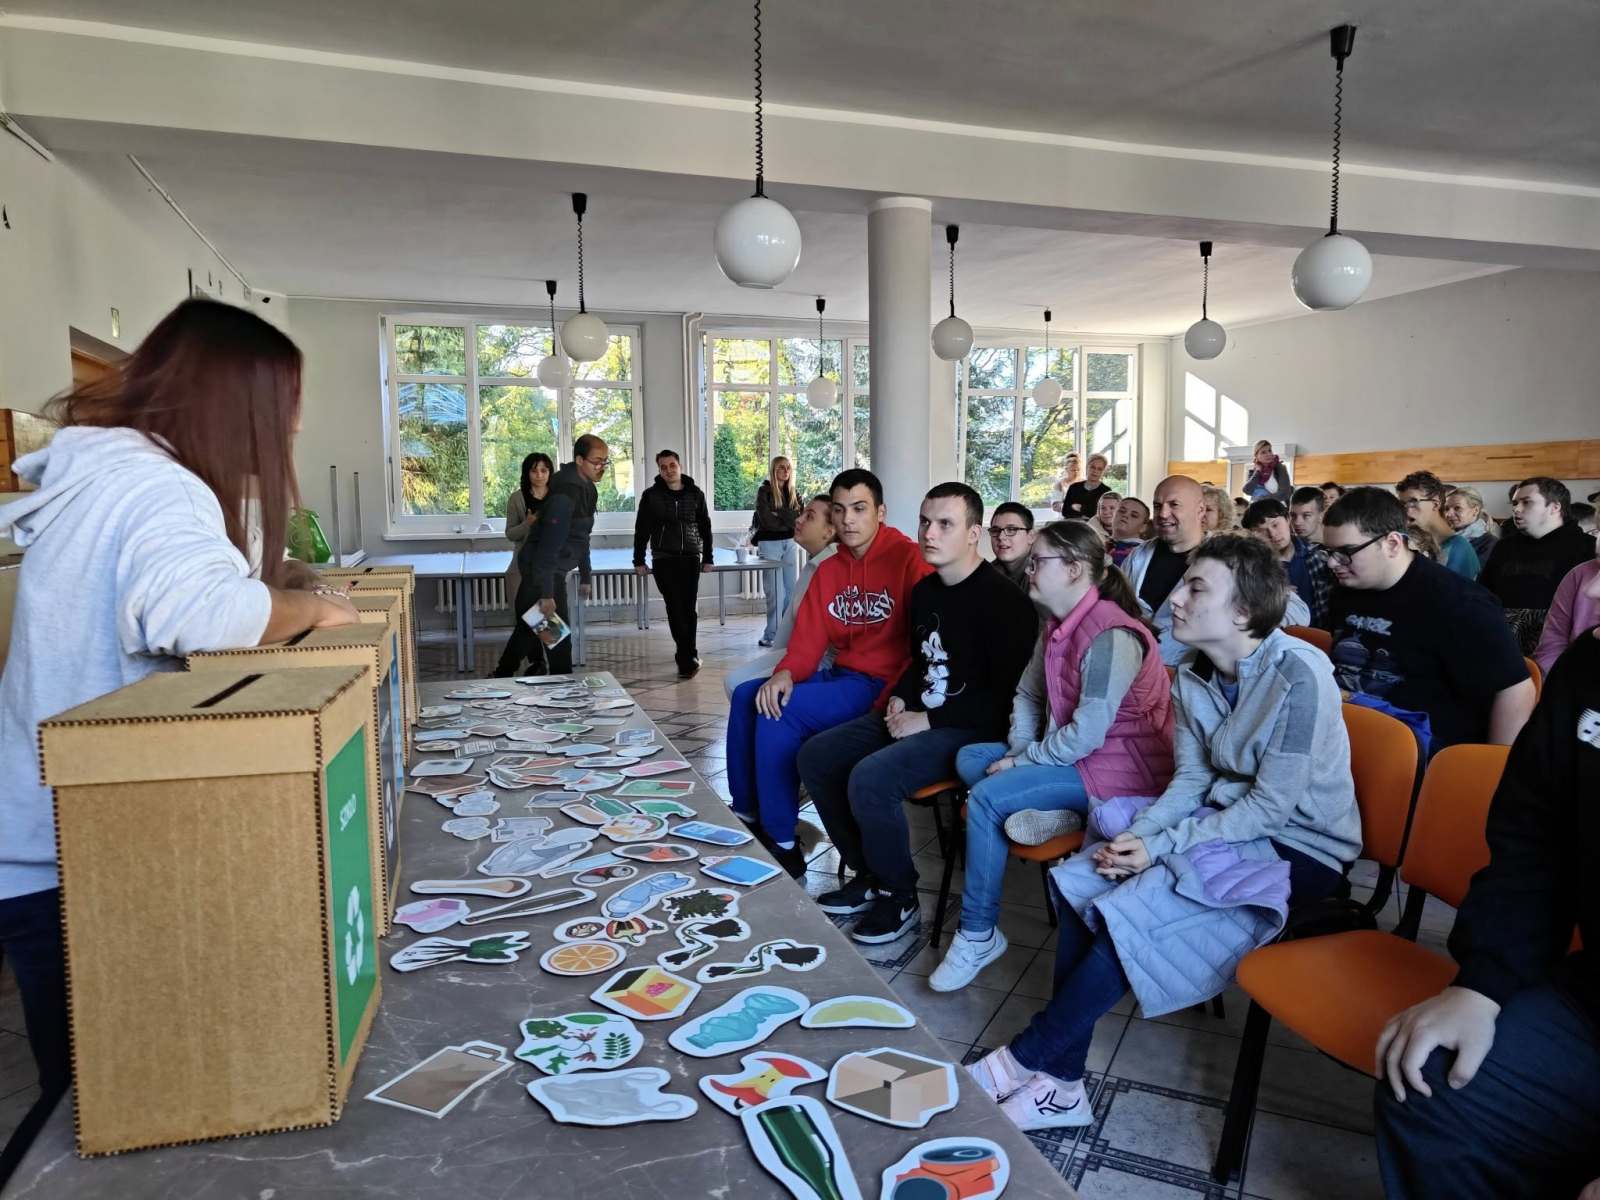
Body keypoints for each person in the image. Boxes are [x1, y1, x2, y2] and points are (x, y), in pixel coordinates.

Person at [0, 299, 360, 1186]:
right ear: (235, 404)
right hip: (76, 855)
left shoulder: (119, 472)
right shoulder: (158, 484)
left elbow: (188, 588)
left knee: (97, 1095)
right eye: (284, 409)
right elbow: (205, 614)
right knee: (103, 1109)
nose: (292, 430)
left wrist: (284, 584)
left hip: (59, 838)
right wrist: (314, 610)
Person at [968, 534, 1360, 1132]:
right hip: (1223, 821)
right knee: (1083, 880)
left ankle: (1019, 1061)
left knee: (1134, 906)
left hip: (1301, 845)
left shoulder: (1298, 675)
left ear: (1244, 611)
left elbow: (1270, 807)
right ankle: (1063, 1086)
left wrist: (1159, 848)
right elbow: (1193, 778)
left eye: (1195, 588)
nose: (1175, 597)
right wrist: (1143, 836)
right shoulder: (1193, 674)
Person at [1372, 626, 1600, 1200]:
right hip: (1591, 1004)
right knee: (1429, 1080)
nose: (1594, 589)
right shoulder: (1591, 665)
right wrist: (1482, 984)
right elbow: (1533, 842)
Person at [929, 521, 1175, 992]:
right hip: (1076, 759)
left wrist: (1023, 764)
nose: (1029, 570)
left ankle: (978, 933)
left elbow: (1088, 734)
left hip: (1122, 773)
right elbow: (1027, 694)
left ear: (1075, 569)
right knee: (971, 758)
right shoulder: (1057, 623)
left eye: (1039, 561)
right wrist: (1022, 751)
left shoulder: (1111, 635)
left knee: (986, 798)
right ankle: (1059, 812)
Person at [797, 484, 1036, 944]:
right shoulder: (926, 591)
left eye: (945, 524)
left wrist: (927, 720)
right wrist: (902, 697)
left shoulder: (1005, 602)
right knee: (817, 756)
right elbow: (920, 661)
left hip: (971, 729)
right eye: (925, 521)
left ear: (973, 533)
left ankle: (900, 895)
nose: (929, 533)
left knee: (871, 777)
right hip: (919, 713)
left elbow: (1005, 699)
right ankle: (870, 874)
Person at [725, 469, 932, 876]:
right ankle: (746, 813)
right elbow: (807, 642)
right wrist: (785, 673)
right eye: (839, 510)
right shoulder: (830, 569)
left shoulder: (909, 559)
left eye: (859, 509)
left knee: (781, 710)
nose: (848, 519)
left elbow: (926, 644)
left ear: (880, 512)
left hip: (882, 685)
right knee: (751, 694)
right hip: (844, 677)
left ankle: (783, 843)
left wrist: (898, 697)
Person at [1323, 488, 1534, 751]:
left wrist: (1492, 766)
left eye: (1345, 551)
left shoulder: (1460, 603)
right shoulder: (1346, 590)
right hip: (1344, 735)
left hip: (1420, 751)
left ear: (1392, 544)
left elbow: (1515, 688)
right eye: (1328, 551)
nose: (1332, 563)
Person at [511, 434, 607, 676]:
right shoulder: (565, 494)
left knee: (537, 634)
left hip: (552, 573)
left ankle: (505, 674)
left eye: (605, 461)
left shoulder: (588, 489)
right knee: (548, 638)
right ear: (579, 460)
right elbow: (547, 548)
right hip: (541, 575)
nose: (602, 466)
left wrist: (585, 575)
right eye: (597, 461)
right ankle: (502, 677)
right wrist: (547, 594)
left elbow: (582, 536)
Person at [724, 496, 838, 698]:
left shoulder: (832, 567)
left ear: (829, 532)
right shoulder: (814, 563)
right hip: (796, 653)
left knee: (742, 690)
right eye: (802, 513)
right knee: (733, 682)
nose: (798, 520)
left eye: (809, 517)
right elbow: (790, 625)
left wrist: (787, 666)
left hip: (818, 660)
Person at [1480, 477, 1596, 654]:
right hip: (1501, 643)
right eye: (1515, 503)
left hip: (1560, 647)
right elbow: (1484, 593)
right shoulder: (1504, 547)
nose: (1516, 509)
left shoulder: (1586, 547)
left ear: (1554, 507)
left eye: (1527, 502)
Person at [633, 449, 714, 678]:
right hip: (664, 559)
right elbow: (642, 530)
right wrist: (638, 560)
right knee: (675, 608)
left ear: (679, 466)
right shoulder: (651, 496)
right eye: (663, 467)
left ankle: (689, 654)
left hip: (690, 558)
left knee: (688, 610)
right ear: (659, 470)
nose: (669, 470)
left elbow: (705, 527)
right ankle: (686, 659)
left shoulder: (695, 494)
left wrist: (708, 557)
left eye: (672, 465)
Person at [1122, 476, 1207, 664]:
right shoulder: (1138, 556)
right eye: (1157, 506)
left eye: (1174, 504)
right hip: (1131, 664)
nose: (1163, 514)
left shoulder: (1223, 562)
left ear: (1200, 510)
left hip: (1185, 671)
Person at [492, 451, 553, 677]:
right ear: (527, 473)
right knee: (526, 618)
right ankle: (537, 662)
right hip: (521, 567)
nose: (539, 475)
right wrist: (527, 523)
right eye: (534, 470)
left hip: (548, 568)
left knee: (545, 618)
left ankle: (551, 662)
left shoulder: (557, 497)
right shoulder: (517, 498)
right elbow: (510, 534)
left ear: (550, 473)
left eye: (544, 470)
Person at [1241, 498, 1335, 628]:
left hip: (1321, 633)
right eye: (1262, 531)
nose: (1272, 534)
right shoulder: (1251, 569)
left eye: (1275, 525)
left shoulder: (1318, 556)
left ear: (1288, 519)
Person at [750, 456, 804, 648]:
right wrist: (787, 517)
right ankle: (771, 634)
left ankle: (785, 634)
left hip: (790, 543)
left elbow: (799, 518)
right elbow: (767, 521)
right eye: (781, 467)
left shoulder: (794, 493)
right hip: (769, 544)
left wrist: (779, 513)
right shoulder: (764, 491)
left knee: (790, 591)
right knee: (775, 592)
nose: (786, 471)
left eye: (788, 467)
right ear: (774, 470)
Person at [1396, 470, 1480, 581]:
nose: (1406, 510)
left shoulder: (1459, 549)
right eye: (1402, 504)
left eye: (1413, 501)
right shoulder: (1410, 540)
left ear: (1435, 504)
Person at [1532, 553, 1600, 676]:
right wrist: (1558, 681)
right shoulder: (1578, 575)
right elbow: (1552, 645)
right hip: (1574, 678)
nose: (1591, 592)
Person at [1443, 486, 1498, 568]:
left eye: (1457, 508)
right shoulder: (1443, 537)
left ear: (1475, 510)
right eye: (1446, 508)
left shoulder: (1490, 542)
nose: (1448, 514)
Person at [986, 502, 1036, 590]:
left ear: (1031, 536)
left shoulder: (1044, 574)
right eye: (995, 530)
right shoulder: (987, 573)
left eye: (1011, 529)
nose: (1001, 537)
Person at [1061, 453, 1113, 521]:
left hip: (1095, 527)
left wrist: (1080, 508)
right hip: (1073, 525)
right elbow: (1065, 512)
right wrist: (1088, 511)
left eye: (1099, 469)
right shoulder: (1074, 487)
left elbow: (1103, 515)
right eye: (1092, 467)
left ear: (1103, 472)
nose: (1095, 471)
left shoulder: (1106, 491)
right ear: (1087, 467)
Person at [1109, 497, 1149, 568]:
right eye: (1122, 511)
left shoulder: (1142, 553)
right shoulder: (1100, 542)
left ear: (1143, 527)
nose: (1125, 515)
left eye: (1134, 516)